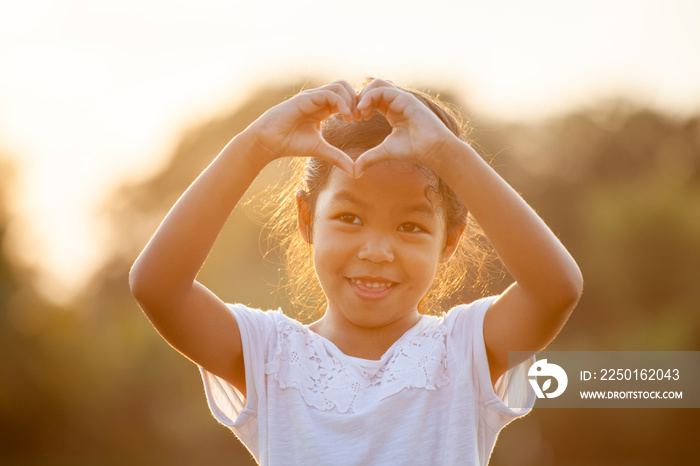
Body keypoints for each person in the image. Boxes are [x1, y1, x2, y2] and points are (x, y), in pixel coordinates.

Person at [129, 79, 583, 465]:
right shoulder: (270, 356)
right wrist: (257, 144)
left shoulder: (464, 350)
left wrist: (448, 153)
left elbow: (556, 290)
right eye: (349, 218)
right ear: (307, 219)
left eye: (410, 226)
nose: (377, 251)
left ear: (450, 239)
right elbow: (157, 287)